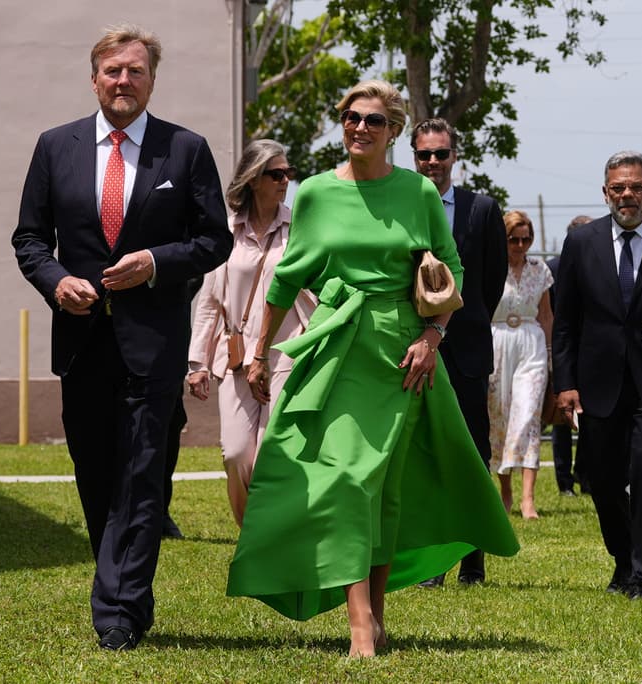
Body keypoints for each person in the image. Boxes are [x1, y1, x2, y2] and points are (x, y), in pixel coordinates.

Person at [225, 80, 518, 658]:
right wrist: (259, 351)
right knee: (346, 482)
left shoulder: (418, 193)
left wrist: (433, 337)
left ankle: (374, 617)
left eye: (374, 121)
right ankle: (361, 626)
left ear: (394, 131)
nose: (359, 127)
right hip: (335, 350)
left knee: (383, 489)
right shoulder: (312, 193)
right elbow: (286, 278)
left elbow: (451, 267)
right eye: (350, 117)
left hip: (402, 355)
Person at [11, 24, 231, 651]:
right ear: (95, 78)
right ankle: (120, 581)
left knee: (141, 474)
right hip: (81, 342)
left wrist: (157, 262)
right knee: (95, 472)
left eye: (135, 70)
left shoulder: (184, 149)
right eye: (113, 70)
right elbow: (29, 239)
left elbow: (214, 238)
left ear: (152, 79)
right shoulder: (56, 146)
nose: (123, 80)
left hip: (153, 342)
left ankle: (120, 611)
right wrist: (57, 283)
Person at [552, 151, 642, 602]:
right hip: (597, 383)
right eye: (618, 188)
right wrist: (565, 383)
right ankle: (624, 559)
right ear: (605, 192)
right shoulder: (581, 243)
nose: (627, 195)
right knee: (603, 481)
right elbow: (565, 321)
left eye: (636, 187)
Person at [187, 139, 317, 526]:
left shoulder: (300, 229)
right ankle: (251, 531)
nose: (285, 181)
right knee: (236, 453)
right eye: (276, 174)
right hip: (238, 356)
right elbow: (210, 300)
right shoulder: (224, 232)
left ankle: (268, 537)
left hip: (287, 355)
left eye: (288, 174)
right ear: (253, 179)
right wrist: (198, 362)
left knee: (270, 454)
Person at [410, 117, 507, 587]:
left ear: (454, 156)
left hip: (466, 348)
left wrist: (456, 326)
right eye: (424, 154)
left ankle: (473, 559)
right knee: (423, 452)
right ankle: (431, 561)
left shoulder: (482, 209)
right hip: (410, 347)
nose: (433, 162)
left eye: (441, 154)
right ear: (413, 157)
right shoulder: (401, 204)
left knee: (471, 452)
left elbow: (491, 282)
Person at [489, 210, 554, 518]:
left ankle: (529, 498)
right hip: (496, 341)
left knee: (528, 414)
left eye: (526, 239)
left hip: (532, 343)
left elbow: (546, 315)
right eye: (513, 239)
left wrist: (552, 354)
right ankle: (505, 491)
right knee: (499, 416)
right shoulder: (488, 268)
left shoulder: (540, 269)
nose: (520, 244)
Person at [547, 215, 592, 497]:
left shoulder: (601, 266)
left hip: (591, 351)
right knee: (560, 418)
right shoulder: (553, 269)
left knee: (590, 417)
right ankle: (565, 481)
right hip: (563, 349)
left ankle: (585, 476)